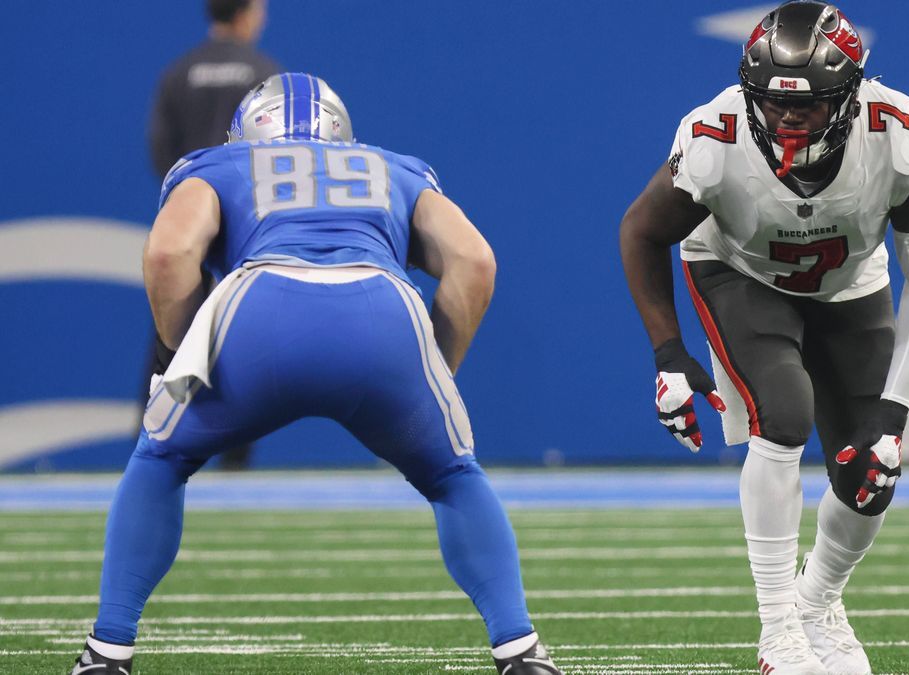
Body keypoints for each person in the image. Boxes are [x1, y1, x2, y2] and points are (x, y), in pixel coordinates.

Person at [71, 73, 560, 675]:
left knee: (160, 459)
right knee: (453, 475)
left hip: (260, 312)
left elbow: (170, 253)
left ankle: (107, 652)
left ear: (250, 130)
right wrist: (434, 370)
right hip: (384, 312)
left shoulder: (220, 165)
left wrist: (183, 354)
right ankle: (519, 651)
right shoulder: (395, 168)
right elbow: (474, 260)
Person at [620, 2, 909, 673]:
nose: (785, 119)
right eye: (771, 104)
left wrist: (894, 412)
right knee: (786, 409)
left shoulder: (897, 132)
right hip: (739, 271)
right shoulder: (715, 139)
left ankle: (818, 601)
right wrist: (669, 355)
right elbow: (640, 230)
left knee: (870, 472)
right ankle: (778, 631)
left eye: (805, 106)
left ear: (852, 97)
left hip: (852, 287)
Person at [146, 0, 280, 469]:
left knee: (171, 343)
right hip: (246, 235)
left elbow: (162, 153)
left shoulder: (179, 73)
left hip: (188, 232)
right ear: (247, 12)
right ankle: (235, 474)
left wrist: (189, 210)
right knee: (240, 347)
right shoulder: (265, 75)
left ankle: (154, 459)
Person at [148, 0, 279, 178]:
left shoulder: (178, 74)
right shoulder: (266, 75)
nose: (263, 20)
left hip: (191, 196)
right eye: (259, 10)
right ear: (243, 16)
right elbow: (278, 142)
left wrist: (184, 187)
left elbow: (161, 145)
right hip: (246, 199)